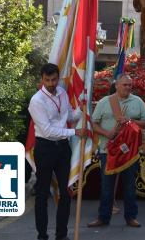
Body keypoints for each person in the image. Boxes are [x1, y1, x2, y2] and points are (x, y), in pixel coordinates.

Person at [28, 64, 87, 240]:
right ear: (42, 79)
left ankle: (62, 234)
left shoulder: (62, 92)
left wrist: (81, 109)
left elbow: (68, 116)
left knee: (65, 192)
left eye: (54, 79)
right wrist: (74, 132)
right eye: (47, 80)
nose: (51, 83)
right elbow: (47, 130)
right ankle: (42, 235)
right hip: (45, 147)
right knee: (42, 193)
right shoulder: (37, 100)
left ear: (58, 77)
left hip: (62, 148)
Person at [88, 74, 145, 228]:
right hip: (108, 151)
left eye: (130, 85)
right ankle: (103, 217)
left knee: (130, 186)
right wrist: (106, 133)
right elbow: (94, 123)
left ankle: (131, 217)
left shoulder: (138, 101)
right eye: (125, 85)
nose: (128, 87)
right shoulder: (104, 102)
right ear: (116, 85)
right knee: (106, 186)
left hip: (130, 152)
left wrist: (131, 121)